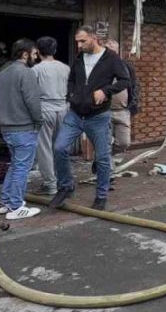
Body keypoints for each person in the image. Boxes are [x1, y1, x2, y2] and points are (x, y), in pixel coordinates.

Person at [51, 26, 131, 211]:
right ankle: (66, 186)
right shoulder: (79, 57)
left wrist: (105, 91)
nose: (78, 45)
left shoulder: (111, 58)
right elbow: (71, 79)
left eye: (82, 41)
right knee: (59, 147)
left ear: (94, 38)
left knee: (102, 157)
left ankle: (101, 195)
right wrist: (71, 94)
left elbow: (125, 81)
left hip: (98, 116)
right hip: (75, 114)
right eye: (77, 42)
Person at [0, 38, 43, 220]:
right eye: (34, 53)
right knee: (22, 168)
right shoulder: (26, 73)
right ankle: (16, 206)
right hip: (23, 128)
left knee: (15, 165)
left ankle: (5, 202)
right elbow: (33, 101)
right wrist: (39, 120)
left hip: (6, 128)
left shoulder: (1, 74)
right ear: (25, 54)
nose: (36, 57)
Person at [32, 36, 70, 196]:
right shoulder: (65, 68)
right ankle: (64, 181)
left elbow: (31, 93)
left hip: (44, 108)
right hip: (63, 108)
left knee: (44, 148)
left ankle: (50, 184)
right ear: (54, 50)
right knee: (60, 147)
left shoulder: (36, 70)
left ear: (38, 51)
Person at [104, 39, 140, 162]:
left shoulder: (126, 66)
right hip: (104, 111)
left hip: (122, 111)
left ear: (118, 51)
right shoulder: (99, 66)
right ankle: (105, 166)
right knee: (104, 142)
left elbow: (135, 86)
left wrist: (133, 104)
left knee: (124, 143)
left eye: (113, 50)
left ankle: (109, 157)